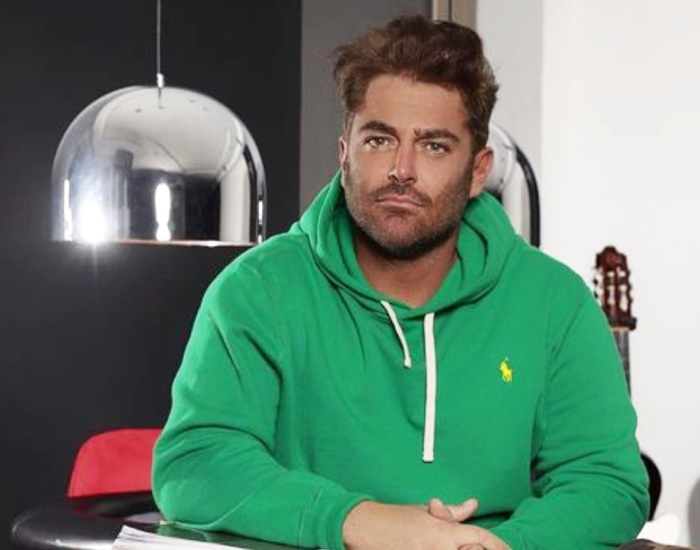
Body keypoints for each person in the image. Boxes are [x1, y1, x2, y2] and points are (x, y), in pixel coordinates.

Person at [153, 15, 649, 550]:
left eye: (434, 146)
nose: (402, 169)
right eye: (379, 139)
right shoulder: (257, 290)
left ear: (478, 171)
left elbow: (607, 484)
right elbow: (194, 464)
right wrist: (359, 522)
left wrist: (498, 546)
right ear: (344, 153)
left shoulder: (555, 302)